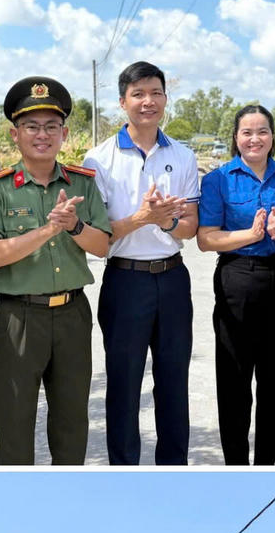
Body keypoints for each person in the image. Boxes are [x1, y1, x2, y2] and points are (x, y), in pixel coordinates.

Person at [0, 77, 111, 465]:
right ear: (15, 134)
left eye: (51, 126)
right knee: (15, 425)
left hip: (72, 314)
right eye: (32, 127)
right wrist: (49, 229)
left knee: (71, 423)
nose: (42, 135)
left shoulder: (82, 184)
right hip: (19, 316)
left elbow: (102, 245)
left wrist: (75, 227)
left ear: (64, 133)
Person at [82, 61, 199, 465]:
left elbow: (190, 228)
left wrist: (166, 219)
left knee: (173, 383)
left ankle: (174, 468)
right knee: (124, 385)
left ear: (165, 98)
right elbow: (98, 237)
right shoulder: (97, 160)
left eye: (155, 93)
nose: (147, 102)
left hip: (171, 280)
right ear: (122, 102)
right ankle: (124, 468)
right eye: (138, 94)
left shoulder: (183, 156)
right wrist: (141, 218)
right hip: (125, 281)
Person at [197, 104, 275, 464]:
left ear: (272, 137)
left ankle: (265, 464)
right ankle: (236, 465)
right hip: (237, 278)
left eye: (262, 131)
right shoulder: (218, 179)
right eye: (247, 132)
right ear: (236, 137)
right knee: (234, 381)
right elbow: (206, 239)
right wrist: (250, 234)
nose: (254, 139)